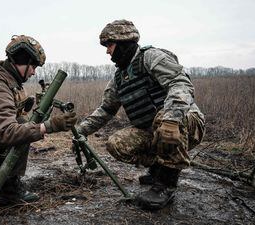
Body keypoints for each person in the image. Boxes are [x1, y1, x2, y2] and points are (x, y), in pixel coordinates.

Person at [75, 20, 205, 210]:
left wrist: (172, 118)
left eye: (109, 45)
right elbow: (106, 110)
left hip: (185, 122)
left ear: (122, 43)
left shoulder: (151, 57)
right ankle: (159, 168)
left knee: (163, 118)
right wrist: (80, 130)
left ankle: (166, 185)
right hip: (155, 129)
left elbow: (180, 83)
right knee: (116, 143)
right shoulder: (119, 78)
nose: (107, 51)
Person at [0, 35, 77, 204]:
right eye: (33, 66)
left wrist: (23, 107)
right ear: (22, 62)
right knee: (23, 129)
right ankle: (9, 192)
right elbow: (8, 133)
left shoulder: (4, 77)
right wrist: (50, 125)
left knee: (23, 124)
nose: (33, 72)